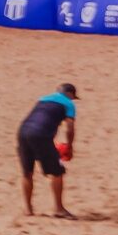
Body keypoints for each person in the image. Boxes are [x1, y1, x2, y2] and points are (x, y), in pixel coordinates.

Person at [16, 81, 79, 218]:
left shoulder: (42, 99)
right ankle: (59, 209)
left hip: (23, 131)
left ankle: (28, 209)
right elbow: (70, 128)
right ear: (70, 94)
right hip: (41, 135)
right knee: (58, 172)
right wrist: (69, 145)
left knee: (27, 172)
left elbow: (40, 118)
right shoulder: (68, 103)